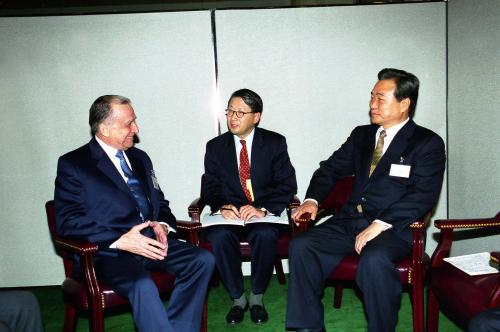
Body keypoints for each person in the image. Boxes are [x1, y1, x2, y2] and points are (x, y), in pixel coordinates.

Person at [286, 68, 446, 332]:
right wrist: (312, 200)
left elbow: (423, 195)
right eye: (372, 97)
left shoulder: (426, 143)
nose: (372, 104)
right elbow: (329, 169)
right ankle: (308, 327)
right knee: (302, 244)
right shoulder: (362, 135)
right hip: (350, 220)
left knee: (374, 259)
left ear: (404, 103)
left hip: (396, 228)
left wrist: (381, 223)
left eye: (381, 98)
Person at [54, 95, 215, 332]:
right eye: (128, 124)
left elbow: (160, 202)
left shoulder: (140, 158)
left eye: (134, 121)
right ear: (104, 128)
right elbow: (68, 221)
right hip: (106, 253)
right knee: (142, 284)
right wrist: (119, 240)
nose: (136, 129)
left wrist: (163, 224)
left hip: (151, 244)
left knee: (202, 260)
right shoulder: (75, 164)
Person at [202, 89, 297, 324]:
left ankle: (256, 297)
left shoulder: (275, 143)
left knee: (264, 234)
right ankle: (237, 299)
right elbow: (211, 186)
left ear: (256, 117)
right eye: (230, 111)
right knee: (219, 235)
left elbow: (287, 185)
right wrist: (221, 205)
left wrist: (262, 209)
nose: (233, 117)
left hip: (261, 215)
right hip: (230, 216)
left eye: (240, 112)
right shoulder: (215, 146)